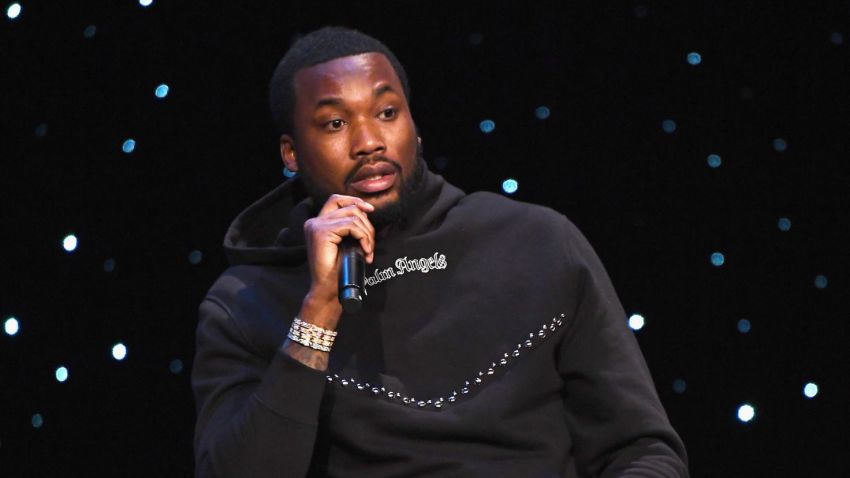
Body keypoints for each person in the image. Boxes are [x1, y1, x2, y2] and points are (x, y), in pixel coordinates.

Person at [191, 26, 689, 478]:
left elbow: (643, 451)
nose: (369, 141)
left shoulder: (536, 242)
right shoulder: (244, 304)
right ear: (291, 152)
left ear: (415, 125)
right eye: (335, 124)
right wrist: (319, 310)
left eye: (387, 112)